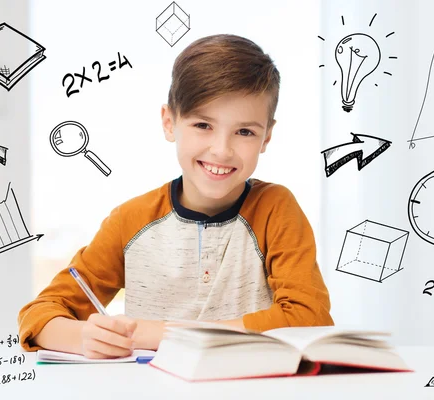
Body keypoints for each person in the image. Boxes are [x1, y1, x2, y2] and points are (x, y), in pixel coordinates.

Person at [18, 34, 334, 358]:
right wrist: (83, 336)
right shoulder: (131, 221)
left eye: (244, 132)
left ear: (266, 136)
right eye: (202, 125)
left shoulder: (276, 209)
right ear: (169, 123)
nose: (222, 150)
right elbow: (38, 315)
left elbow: (309, 318)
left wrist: (159, 333)